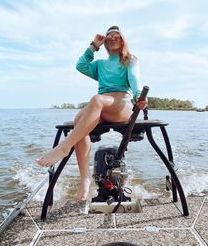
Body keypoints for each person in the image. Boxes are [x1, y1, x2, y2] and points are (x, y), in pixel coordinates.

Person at [36, 26, 147, 201]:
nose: (112, 37)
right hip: (102, 106)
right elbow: (81, 66)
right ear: (105, 43)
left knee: (96, 99)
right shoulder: (100, 65)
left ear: (122, 40)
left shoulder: (130, 60)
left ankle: (64, 148)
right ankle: (85, 179)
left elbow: (134, 80)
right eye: (109, 36)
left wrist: (140, 98)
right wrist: (93, 45)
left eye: (116, 35)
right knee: (79, 119)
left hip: (122, 105)